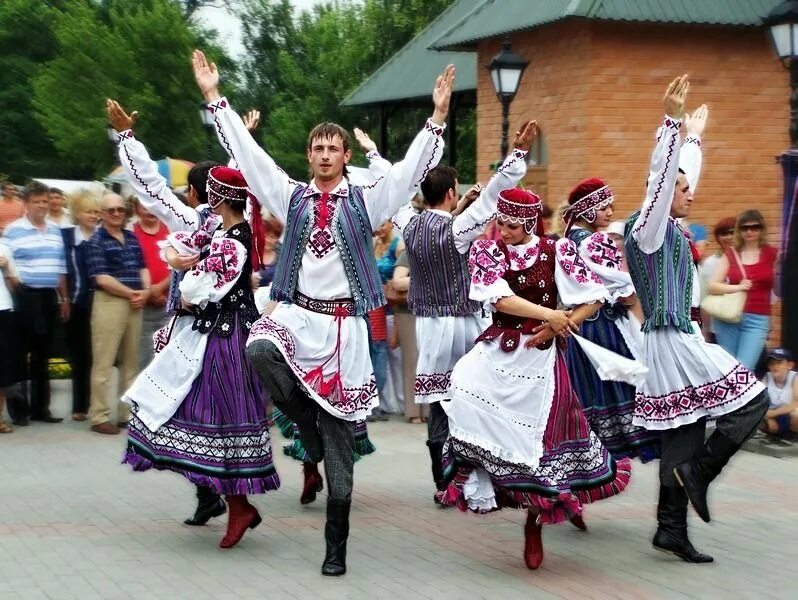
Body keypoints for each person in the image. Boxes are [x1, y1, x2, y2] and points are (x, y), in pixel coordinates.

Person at [193, 48, 450, 575]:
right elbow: (251, 157)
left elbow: (406, 175)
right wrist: (213, 97)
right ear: (309, 155)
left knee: (338, 445)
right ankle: (302, 422)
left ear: (344, 156)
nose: (327, 154)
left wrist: (438, 119)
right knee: (259, 348)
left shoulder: (367, 198)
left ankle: (336, 547)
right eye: (319, 147)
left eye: (334, 147)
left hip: (345, 328)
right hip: (297, 315)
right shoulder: (290, 197)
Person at [439, 187, 632, 570]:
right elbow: (498, 298)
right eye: (502, 222)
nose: (505, 230)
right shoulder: (487, 250)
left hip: (540, 361)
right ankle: (483, 472)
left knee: (541, 445)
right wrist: (550, 315)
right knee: (462, 389)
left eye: (513, 224)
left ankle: (535, 523)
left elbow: (595, 295)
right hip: (499, 351)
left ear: (529, 222)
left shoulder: (555, 250)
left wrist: (564, 324)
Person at [624, 75, 768, 563]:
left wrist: (693, 140)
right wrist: (669, 126)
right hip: (670, 338)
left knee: (682, 432)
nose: (690, 194)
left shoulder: (666, 223)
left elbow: (678, 179)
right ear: (664, 192)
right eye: (682, 188)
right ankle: (703, 471)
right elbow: (665, 182)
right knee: (754, 398)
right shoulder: (647, 227)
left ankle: (671, 528)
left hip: (667, 340)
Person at [123, 166, 278, 550]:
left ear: (221, 197)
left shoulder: (232, 242)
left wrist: (186, 263)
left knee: (219, 417)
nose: (205, 197)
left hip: (225, 340)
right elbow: (180, 253)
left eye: (210, 191)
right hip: (215, 336)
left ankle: (237, 505)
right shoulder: (221, 233)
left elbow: (194, 288)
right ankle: (231, 502)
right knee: (201, 414)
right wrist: (185, 260)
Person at [392, 120, 536, 500]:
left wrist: (375, 157)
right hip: (461, 322)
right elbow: (494, 197)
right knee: (470, 396)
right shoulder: (455, 230)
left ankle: (443, 479)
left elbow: (392, 198)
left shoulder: (409, 223)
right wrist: (517, 155)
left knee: (439, 402)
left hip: (427, 324)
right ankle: (474, 474)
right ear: (451, 192)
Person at [108, 97, 227, 526]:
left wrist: (126, 138)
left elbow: (151, 189)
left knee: (191, 412)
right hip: (222, 331)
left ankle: (215, 491)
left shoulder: (193, 220)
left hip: (198, 331)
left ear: (194, 192)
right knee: (203, 414)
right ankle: (211, 491)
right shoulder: (238, 220)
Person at [562, 178, 659, 463]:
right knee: (623, 383)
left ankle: (584, 455)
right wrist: (633, 293)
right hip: (603, 326)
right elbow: (625, 292)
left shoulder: (566, 241)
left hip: (576, 327)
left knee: (584, 391)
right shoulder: (597, 241)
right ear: (588, 210)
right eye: (604, 207)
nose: (609, 212)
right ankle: (625, 445)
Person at [2, 180, 70, 425]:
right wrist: (16, 292)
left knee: (44, 354)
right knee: (20, 354)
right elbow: (7, 265)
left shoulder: (55, 230)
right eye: (36, 201)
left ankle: (42, 409)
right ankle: (19, 411)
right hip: (24, 295)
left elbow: (61, 267)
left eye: (44, 201)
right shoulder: (13, 230)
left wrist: (64, 298)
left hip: (48, 296)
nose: (41, 205)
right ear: (26, 203)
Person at [85, 193, 150, 434]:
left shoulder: (132, 238)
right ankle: (99, 416)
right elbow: (102, 278)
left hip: (135, 302)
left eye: (120, 210)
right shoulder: (95, 241)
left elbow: (143, 267)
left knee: (131, 363)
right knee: (103, 362)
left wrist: (144, 291)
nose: (116, 214)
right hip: (110, 302)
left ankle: (126, 414)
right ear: (101, 213)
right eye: (110, 210)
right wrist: (133, 294)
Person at [708, 209, 778, 371]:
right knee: (729, 370)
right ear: (739, 230)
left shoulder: (772, 254)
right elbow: (713, 286)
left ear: (762, 229)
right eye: (745, 228)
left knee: (745, 370)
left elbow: (779, 291)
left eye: (755, 227)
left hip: (757, 319)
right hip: (729, 317)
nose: (749, 231)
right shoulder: (731, 254)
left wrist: (780, 269)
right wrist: (738, 287)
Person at [61, 190, 102, 421]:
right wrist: (64, 299)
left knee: (99, 357)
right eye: (89, 211)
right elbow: (63, 271)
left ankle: (97, 405)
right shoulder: (66, 236)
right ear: (77, 213)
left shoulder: (102, 236)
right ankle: (79, 406)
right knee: (80, 355)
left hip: (102, 304)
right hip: (77, 302)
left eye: (97, 211)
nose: (94, 216)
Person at [131, 198, 171, 366]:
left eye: (152, 206)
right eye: (144, 206)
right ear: (136, 209)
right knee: (143, 358)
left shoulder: (171, 230)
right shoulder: (130, 232)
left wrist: (160, 289)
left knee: (167, 357)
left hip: (169, 304)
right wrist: (148, 291)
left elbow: (181, 266)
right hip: (141, 304)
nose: (149, 210)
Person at [698, 216, 736, 341]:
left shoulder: (749, 260)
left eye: (733, 232)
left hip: (747, 324)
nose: (729, 237)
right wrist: (706, 330)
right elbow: (704, 299)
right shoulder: (711, 263)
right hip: (720, 325)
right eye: (724, 234)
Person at [0, 242, 22, 433]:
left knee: (3, 366)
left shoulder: (3, 247)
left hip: (3, 309)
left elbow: (15, 285)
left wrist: (7, 268)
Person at [761, 348, 798, 438]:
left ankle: (794, 439)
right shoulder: (766, 377)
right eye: (772, 363)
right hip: (771, 414)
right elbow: (758, 403)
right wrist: (767, 417)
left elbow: (796, 402)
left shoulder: (795, 378)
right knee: (754, 416)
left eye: (779, 362)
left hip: (787, 414)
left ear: (789, 365)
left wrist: (773, 414)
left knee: (796, 414)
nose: (775, 366)